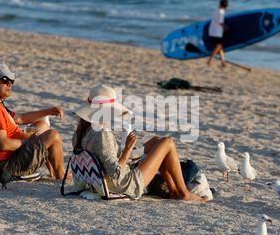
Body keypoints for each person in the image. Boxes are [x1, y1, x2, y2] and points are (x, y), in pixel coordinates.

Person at [72, 83, 206, 202]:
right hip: (123, 184)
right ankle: (184, 193)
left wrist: (134, 151)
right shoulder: (102, 134)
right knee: (168, 142)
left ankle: (174, 191)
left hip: (100, 181)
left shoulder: (81, 132)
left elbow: (104, 159)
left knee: (156, 141)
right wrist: (127, 150)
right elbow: (116, 173)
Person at [0, 62, 67, 182]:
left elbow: (19, 118)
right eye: (5, 80)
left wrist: (48, 111)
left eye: (11, 81)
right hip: (7, 165)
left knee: (42, 125)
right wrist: (28, 139)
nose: (10, 84)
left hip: (7, 157)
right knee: (53, 135)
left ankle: (54, 173)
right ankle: (61, 175)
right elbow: (4, 145)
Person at [207, 0, 229, 68]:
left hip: (212, 30)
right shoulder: (221, 11)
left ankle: (223, 62)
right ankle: (210, 60)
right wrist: (225, 27)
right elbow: (220, 22)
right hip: (217, 32)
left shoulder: (216, 10)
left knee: (220, 47)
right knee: (219, 46)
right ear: (226, 6)